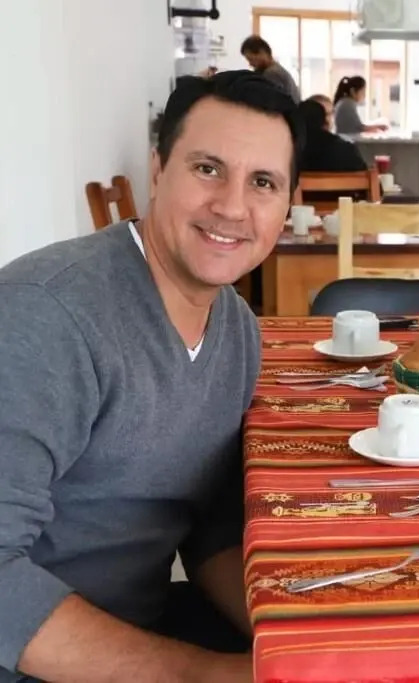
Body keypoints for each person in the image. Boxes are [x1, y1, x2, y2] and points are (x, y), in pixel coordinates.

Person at [0, 70, 303, 682]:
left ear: (287, 205)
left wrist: (291, 642)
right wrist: (209, 675)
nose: (232, 207)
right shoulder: (46, 315)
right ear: (158, 169)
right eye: (208, 168)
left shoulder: (238, 330)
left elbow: (209, 528)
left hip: (143, 624)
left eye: (263, 182)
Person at [297, 98, 367, 174]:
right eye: (325, 114)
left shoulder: (292, 152)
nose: (328, 119)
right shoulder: (346, 150)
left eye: (330, 113)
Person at [241, 34, 301, 104]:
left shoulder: (272, 73)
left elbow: (270, 102)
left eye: (251, 59)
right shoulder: (276, 69)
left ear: (262, 52)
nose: (250, 64)